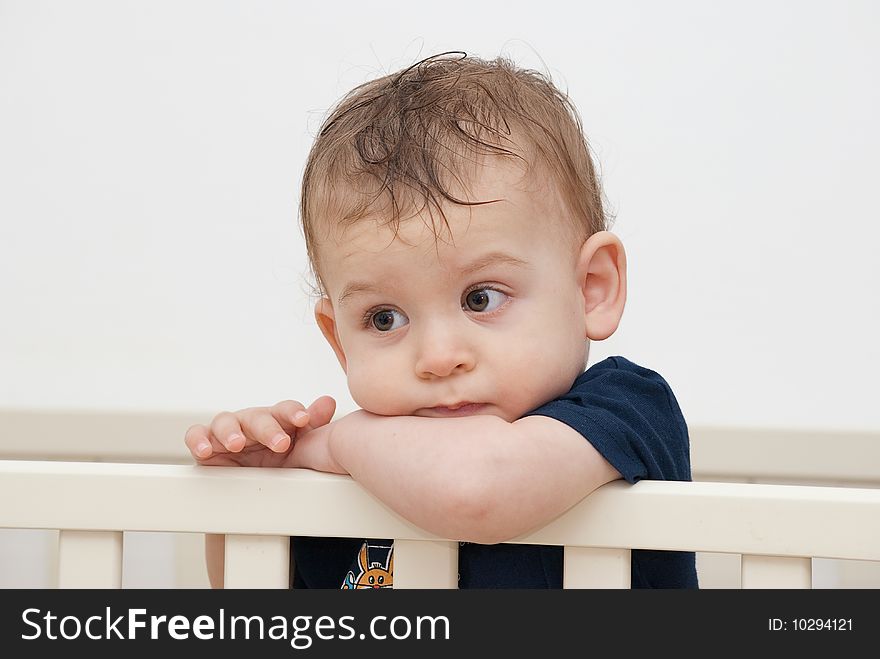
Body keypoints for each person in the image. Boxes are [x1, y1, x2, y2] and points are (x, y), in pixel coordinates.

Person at [184, 52, 698, 589]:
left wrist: (333, 444)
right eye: (384, 319)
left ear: (592, 288)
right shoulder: (362, 472)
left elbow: (474, 490)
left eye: (481, 299)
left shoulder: (626, 407)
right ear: (339, 340)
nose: (436, 358)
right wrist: (245, 494)